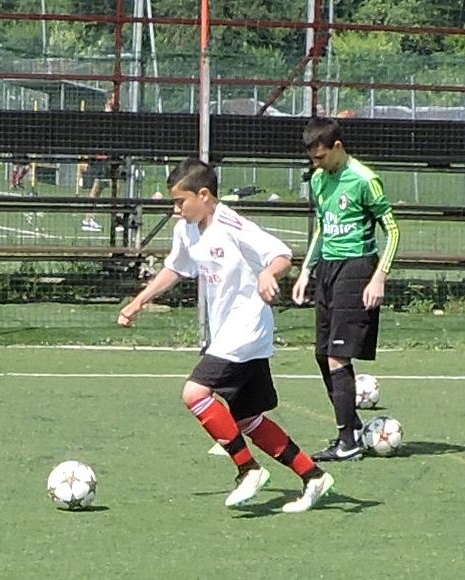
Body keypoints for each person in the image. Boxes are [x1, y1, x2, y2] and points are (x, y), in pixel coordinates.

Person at [118, 158, 334, 513]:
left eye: (181, 201)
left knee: (195, 393)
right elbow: (175, 268)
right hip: (227, 334)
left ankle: (248, 469)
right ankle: (313, 476)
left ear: (204, 195)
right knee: (248, 419)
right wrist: (139, 301)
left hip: (246, 328)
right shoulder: (186, 229)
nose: (176, 209)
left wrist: (268, 274)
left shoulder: (231, 224)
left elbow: (281, 254)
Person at [292, 117, 401, 462]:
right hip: (327, 269)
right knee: (322, 353)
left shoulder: (365, 180)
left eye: (321, 157)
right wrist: (306, 271)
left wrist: (379, 276)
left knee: (338, 355)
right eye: (312, 159)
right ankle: (352, 430)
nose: (316, 164)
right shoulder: (319, 180)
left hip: (357, 269)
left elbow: (394, 230)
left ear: (337, 147)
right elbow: (322, 229)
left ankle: (347, 442)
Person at [81, 93, 120, 232]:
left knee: (112, 187)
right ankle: (89, 219)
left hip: (110, 158)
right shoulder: (104, 117)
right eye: (114, 98)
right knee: (102, 188)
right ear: (109, 101)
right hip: (102, 159)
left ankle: (114, 219)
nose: (118, 101)